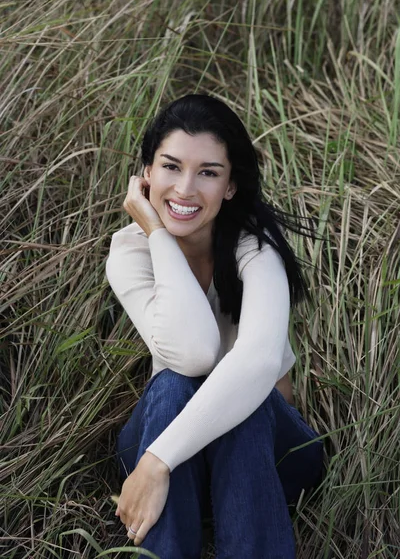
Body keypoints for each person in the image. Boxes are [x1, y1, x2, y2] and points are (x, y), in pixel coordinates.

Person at [105, 94, 325, 558]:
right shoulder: (129, 253)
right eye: (170, 166)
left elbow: (258, 360)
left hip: (268, 459)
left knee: (244, 400)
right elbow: (194, 352)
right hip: (179, 460)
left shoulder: (255, 250)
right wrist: (158, 236)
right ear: (146, 174)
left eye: (207, 172)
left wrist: (157, 460)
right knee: (171, 386)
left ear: (229, 187)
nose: (185, 189)